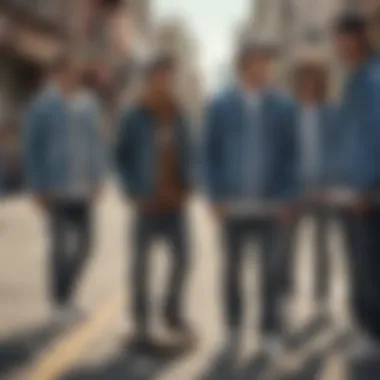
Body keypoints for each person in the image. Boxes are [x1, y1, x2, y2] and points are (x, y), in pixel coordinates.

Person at [203, 41, 298, 357]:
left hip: (271, 207)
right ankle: (233, 329)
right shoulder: (220, 105)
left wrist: (287, 197)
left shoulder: (283, 106)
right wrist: (215, 197)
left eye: (267, 63)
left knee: (271, 273)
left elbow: (291, 155)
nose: (265, 69)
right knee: (232, 271)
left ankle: (269, 332)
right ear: (243, 65)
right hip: (232, 206)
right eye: (259, 62)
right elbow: (209, 154)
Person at [115, 54, 194, 351]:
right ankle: (140, 323)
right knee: (140, 267)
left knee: (184, 261)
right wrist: (132, 191)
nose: (165, 81)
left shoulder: (179, 113)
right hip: (146, 202)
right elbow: (120, 156)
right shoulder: (134, 114)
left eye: (169, 76)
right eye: (160, 76)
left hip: (175, 203)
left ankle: (171, 312)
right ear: (151, 79)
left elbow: (191, 150)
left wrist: (190, 183)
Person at [24, 56, 105, 322]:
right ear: (57, 74)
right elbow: (32, 149)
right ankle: (61, 302)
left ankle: (66, 291)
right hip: (55, 189)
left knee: (87, 245)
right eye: (65, 72)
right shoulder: (42, 107)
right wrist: (37, 187)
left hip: (83, 189)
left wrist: (97, 178)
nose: (70, 77)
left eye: (74, 73)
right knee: (59, 247)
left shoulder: (89, 105)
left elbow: (96, 143)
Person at [332, 13, 380, 357]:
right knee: (359, 266)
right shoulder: (353, 80)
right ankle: (366, 330)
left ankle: (372, 335)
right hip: (351, 193)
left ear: (360, 40)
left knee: (368, 269)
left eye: (345, 41)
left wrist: (370, 189)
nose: (339, 48)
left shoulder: (372, 79)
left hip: (367, 196)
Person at [282, 59, 338, 316]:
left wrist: (331, 184)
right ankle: (287, 294)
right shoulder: (288, 114)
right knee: (288, 245)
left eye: (313, 80)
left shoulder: (331, 114)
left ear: (321, 83)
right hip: (295, 191)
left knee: (323, 247)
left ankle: (322, 298)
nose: (309, 85)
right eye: (304, 80)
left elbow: (340, 150)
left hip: (324, 191)